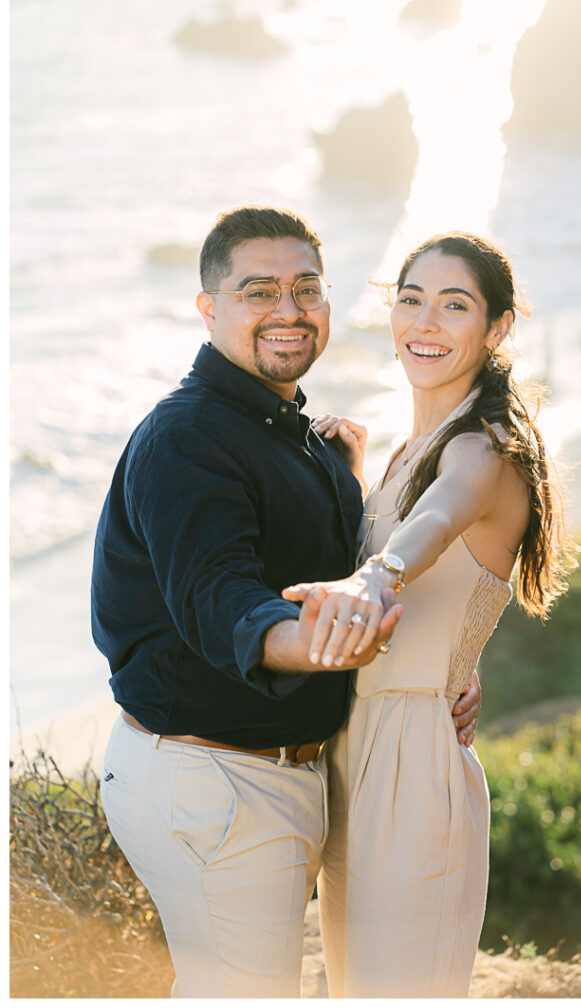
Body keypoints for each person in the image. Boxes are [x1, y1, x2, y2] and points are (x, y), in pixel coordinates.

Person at [91, 206, 481, 998]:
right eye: (257, 291)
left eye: (305, 288)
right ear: (209, 309)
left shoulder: (290, 431)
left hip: (276, 778)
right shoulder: (188, 437)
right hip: (213, 780)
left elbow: (331, 566)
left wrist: (448, 664)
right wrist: (310, 645)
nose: (288, 309)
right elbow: (220, 596)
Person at [283, 231, 574, 997]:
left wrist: (375, 576)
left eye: (454, 306)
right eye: (410, 300)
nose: (425, 323)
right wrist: (351, 488)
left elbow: (440, 520)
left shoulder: (485, 449)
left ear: (497, 327)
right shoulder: (406, 451)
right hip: (354, 752)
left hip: (416, 764)